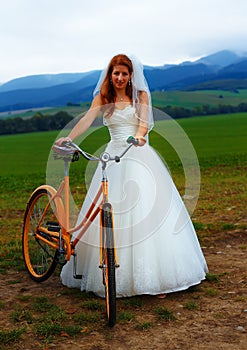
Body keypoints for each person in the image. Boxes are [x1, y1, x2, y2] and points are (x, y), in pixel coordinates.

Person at [56, 54, 208, 298]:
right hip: (112, 156)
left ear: (130, 76)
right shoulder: (103, 98)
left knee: (147, 211)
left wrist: (139, 136)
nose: (119, 77)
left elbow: (144, 123)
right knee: (108, 208)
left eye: (124, 74)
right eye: (115, 73)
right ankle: (105, 272)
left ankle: (158, 279)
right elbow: (87, 118)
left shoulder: (141, 96)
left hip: (136, 152)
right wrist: (70, 138)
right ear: (110, 75)